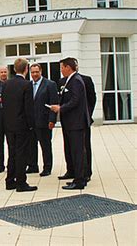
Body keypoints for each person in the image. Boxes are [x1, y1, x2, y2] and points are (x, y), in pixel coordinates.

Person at [51, 58, 91, 190]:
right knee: (72, 150)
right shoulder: (69, 80)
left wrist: (60, 108)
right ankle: (74, 174)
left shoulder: (76, 81)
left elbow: (75, 101)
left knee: (78, 151)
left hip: (76, 123)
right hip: (70, 122)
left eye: (62, 67)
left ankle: (80, 180)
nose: (61, 70)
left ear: (68, 67)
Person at [2, 58, 37, 192]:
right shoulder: (26, 84)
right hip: (22, 125)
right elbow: (28, 107)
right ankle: (21, 183)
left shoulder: (6, 84)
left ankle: (10, 180)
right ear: (26, 69)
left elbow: (5, 105)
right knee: (22, 154)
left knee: (12, 153)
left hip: (9, 125)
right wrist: (31, 125)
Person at [58, 61, 96, 182]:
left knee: (81, 148)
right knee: (69, 147)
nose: (61, 70)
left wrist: (86, 115)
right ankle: (72, 170)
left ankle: (84, 174)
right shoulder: (63, 81)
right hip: (67, 121)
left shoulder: (81, 80)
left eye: (62, 67)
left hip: (79, 121)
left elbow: (90, 99)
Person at [27, 63, 59, 177]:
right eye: (32, 72)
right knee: (31, 145)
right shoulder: (28, 85)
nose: (35, 74)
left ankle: (47, 167)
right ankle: (33, 166)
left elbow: (54, 103)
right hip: (31, 122)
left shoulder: (50, 84)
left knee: (45, 146)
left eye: (37, 72)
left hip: (45, 121)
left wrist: (52, 120)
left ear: (41, 72)